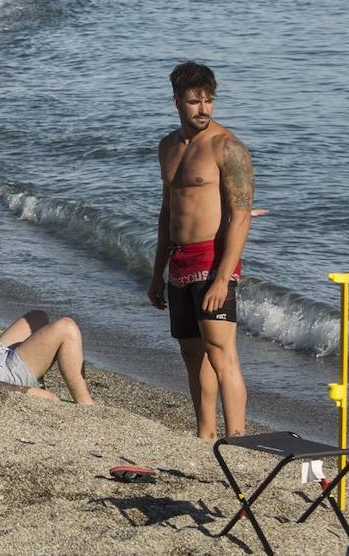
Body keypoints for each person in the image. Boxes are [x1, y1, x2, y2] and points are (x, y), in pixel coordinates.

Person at [147, 61, 254, 440]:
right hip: (178, 261)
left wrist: (222, 279)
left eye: (209, 100)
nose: (204, 109)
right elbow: (167, 212)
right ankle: (204, 435)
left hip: (213, 261)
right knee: (193, 355)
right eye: (195, 102)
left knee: (221, 354)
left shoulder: (228, 148)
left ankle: (237, 437)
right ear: (176, 101)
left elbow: (241, 217)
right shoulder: (167, 148)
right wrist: (157, 272)